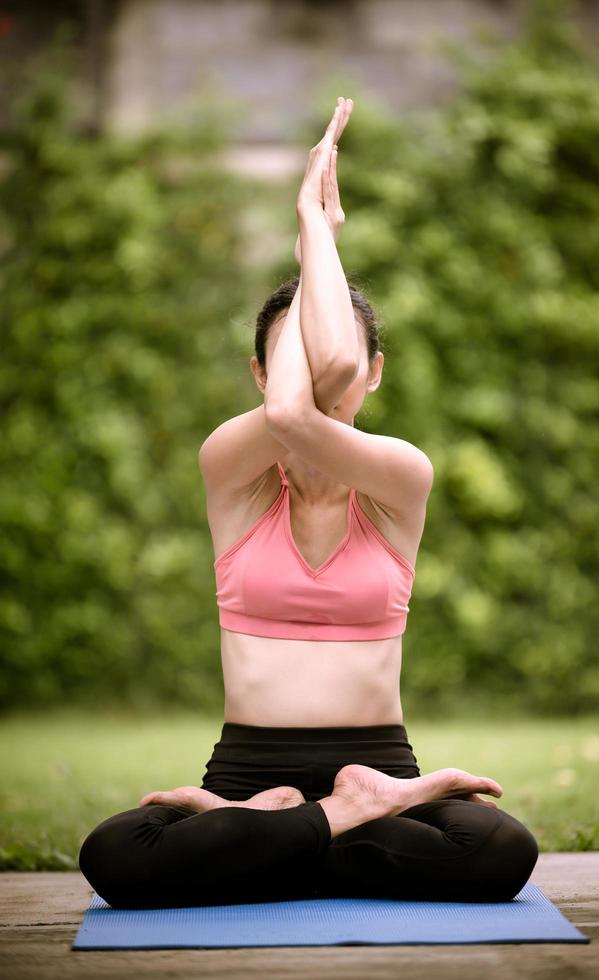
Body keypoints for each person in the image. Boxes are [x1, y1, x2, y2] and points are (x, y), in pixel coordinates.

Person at [78, 97, 539, 910]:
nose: (319, 382)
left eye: (346, 366)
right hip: (246, 770)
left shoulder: (401, 477)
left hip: (378, 759)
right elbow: (295, 411)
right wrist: (313, 234)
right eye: (287, 361)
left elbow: (306, 407)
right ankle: (342, 821)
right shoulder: (231, 469)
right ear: (261, 376)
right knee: (113, 853)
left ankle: (268, 837)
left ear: (378, 372)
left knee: (500, 850)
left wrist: (311, 228)